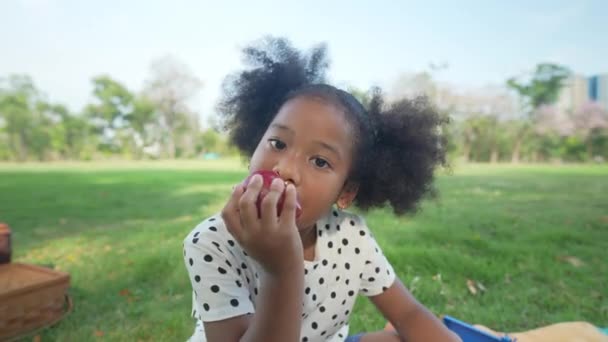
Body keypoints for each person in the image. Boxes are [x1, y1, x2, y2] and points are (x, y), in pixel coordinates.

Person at [183, 36, 460, 342]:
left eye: (319, 161)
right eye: (278, 143)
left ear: (345, 193)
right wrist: (281, 271)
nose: (285, 169)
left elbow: (408, 314)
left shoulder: (351, 236)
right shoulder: (211, 242)